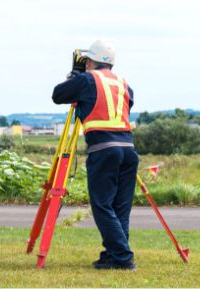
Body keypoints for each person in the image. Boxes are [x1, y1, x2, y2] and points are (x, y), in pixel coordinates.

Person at [52, 40, 138, 271]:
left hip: (103, 149)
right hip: (128, 150)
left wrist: (75, 75)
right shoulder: (122, 83)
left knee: (102, 205)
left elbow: (58, 95)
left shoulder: (86, 79)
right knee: (120, 207)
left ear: (90, 61)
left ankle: (122, 257)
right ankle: (113, 254)